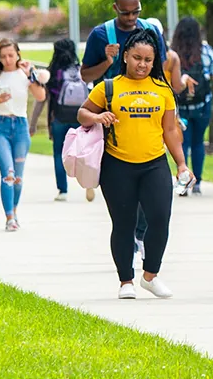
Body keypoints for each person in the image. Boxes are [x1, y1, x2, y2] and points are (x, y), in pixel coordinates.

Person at [80, 28, 192, 300]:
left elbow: (170, 130)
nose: (142, 64)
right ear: (126, 57)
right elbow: (83, 113)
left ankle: (150, 276)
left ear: (154, 62)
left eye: (148, 60)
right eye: (137, 58)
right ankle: (125, 281)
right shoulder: (108, 87)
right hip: (117, 165)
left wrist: (181, 164)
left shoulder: (162, 90)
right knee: (123, 223)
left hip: (154, 164)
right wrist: (98, 118)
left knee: (160, 219)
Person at [79, 0, 179, 245]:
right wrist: (107, 62)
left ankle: (140, 235)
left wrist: (167, 105)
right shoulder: (101, 35)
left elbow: (161, 68)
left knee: (151, 186)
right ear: (115, 8)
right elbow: (85, 75)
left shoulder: (151, 30)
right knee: (124, 189)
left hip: (147, 109)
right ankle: (129, 233)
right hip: (112, 115)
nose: (132, 18)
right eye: (126, 13)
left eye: (136, 11)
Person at [0, 39, 49, 231]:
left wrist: (30, 75)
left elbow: (41, 96)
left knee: (18, 177)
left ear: (18, 54)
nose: (7, 60)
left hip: (20, 126)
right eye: (3, 56)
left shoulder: (25, 74)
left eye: (11, 55)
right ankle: (9, 218)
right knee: (8, 173)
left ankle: (14, 211)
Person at [169, 17, 213, 197]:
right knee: (198, 143)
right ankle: (197, 181)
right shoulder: (205, 50)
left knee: (182, 142)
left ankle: (183, 184)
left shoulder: (172, 53)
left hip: (179, 107)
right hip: (201, 105)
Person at [43, 37, 90, 202]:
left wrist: (47, 122)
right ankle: (89, 182)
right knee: (84, 152)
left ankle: (62, 190)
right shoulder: (81, 70)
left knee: (58, 153)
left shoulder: (53, 73)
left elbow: (47, 100)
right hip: (80, 117)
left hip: (59, 118)